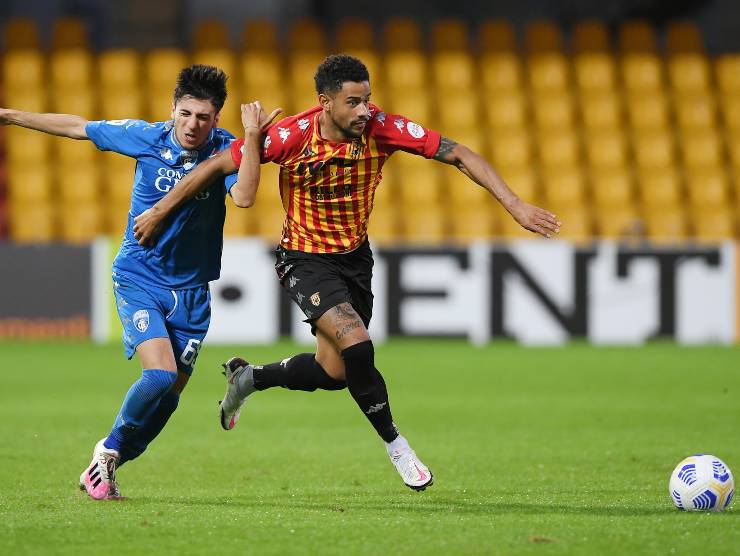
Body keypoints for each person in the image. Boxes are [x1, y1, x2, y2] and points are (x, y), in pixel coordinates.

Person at [133, 54, 561, 491]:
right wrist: (160, 211)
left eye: (367, 100)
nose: (364, 111)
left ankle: (250, 378)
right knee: (357, 343)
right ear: (325, 102)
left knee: (336, 373)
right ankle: (397, 445)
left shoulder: (381, 128)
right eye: (353, 102)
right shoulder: (290, 136)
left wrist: (515, 204)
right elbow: (213, 167)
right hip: (302, 258)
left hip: (355, 259)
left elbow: (459, 153)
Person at [0, 64, 278, 500]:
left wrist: (252, 139)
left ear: (217, 118)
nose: (192, 125)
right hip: (139, 275)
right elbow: (78, 127)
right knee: (159, 376)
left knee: (167, 400)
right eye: (185, 114)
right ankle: (106, 450)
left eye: (203, 117)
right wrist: (9, 115)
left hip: (191, 292)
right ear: (172, 109)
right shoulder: (145, 136)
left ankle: (109, 464)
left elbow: (243, 197)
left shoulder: (226, 149)